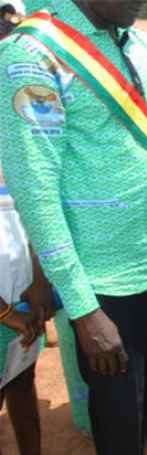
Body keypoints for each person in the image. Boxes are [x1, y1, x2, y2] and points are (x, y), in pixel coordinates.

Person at [0, 1, 147, 454]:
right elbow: (37, 193)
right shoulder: (32, 55)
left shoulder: (142, 45)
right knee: (122, 429)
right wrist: (83, 309)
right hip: (104, 291)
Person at [0, 163, 51, 455]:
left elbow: (29, 219)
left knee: (21, 386)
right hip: (8, 313)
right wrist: (6, 314)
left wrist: (39, 279)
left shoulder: (11, 150)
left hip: (21, 304)